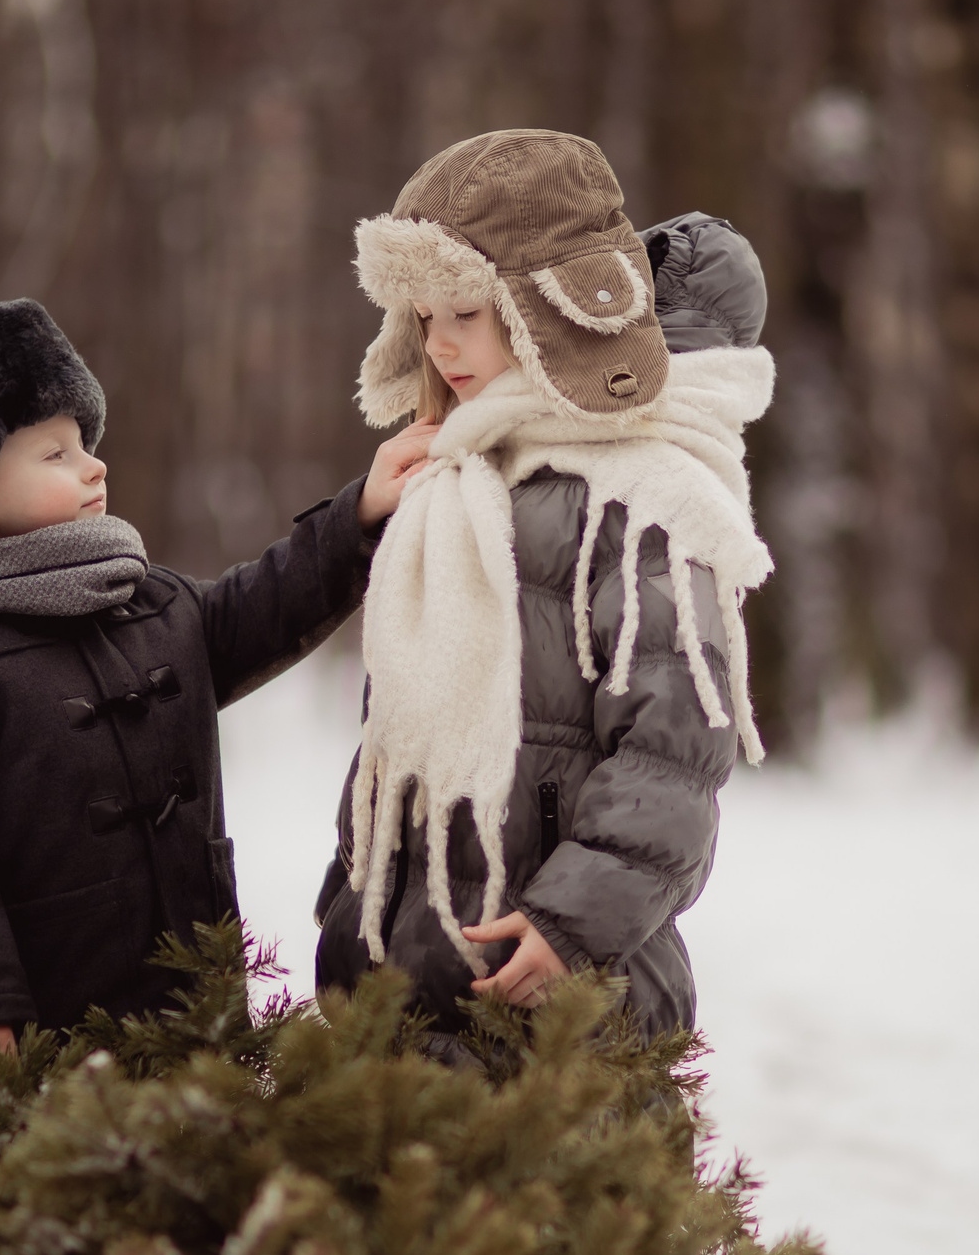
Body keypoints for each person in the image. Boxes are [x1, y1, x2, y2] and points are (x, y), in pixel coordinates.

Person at [0, 297, 435, 1067]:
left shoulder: (142, 595)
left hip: (193, 1017)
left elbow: (257, 605)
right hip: (37, 1041)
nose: (94, 463)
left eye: (84, 443)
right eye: (54, 454)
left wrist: (359, 511)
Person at [313, 130, 774, 1040]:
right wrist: (350, 914)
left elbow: (673, 751)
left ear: (542, 311)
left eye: (467, 314)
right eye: (424, 316)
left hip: (559, 997)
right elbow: (391, 737)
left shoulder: (639, 493)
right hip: (409, 982)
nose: (440, 345)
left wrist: (575, 922)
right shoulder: (455, 475)